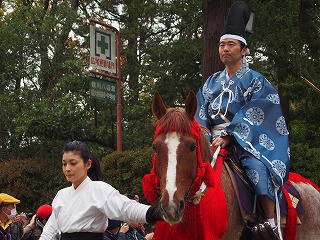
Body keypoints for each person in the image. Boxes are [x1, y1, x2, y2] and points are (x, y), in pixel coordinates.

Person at [196, 1, 289, 239]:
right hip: (210, 140)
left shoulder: (255, 80)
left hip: (244, 141)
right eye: (222, 45)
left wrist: (230, 135)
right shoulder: (210, 82)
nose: (225, 49)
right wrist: (205, 137)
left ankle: (272, 222)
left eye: (231, 44)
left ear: (244, 49)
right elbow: (200, 112)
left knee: (256, 168)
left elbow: (261, 109)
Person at [39, 140, 162, 240]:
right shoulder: (61, 195)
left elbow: (126, 208)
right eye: (64, 164)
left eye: (73, 163)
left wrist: (158, 212)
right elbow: (50, 230)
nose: (67, 169)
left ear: (88, 164)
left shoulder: (100, 189)